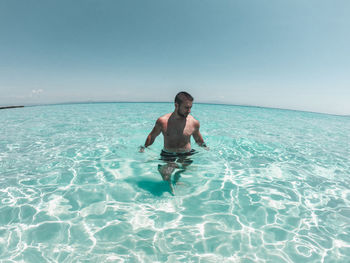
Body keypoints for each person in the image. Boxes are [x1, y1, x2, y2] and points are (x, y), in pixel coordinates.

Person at [139, 91, 208, 194]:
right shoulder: (162, 121)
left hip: (187, 153)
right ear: (176, 105)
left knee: (182, 169)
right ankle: (168, 184)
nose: (189, 111)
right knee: (167, 174)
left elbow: (198, 139)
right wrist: (144, 147)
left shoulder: (194, 122)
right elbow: (152, 136)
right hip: (168, 154)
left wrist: (205, 147)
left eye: (190, 108)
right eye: (186, 107)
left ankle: (177, 177)